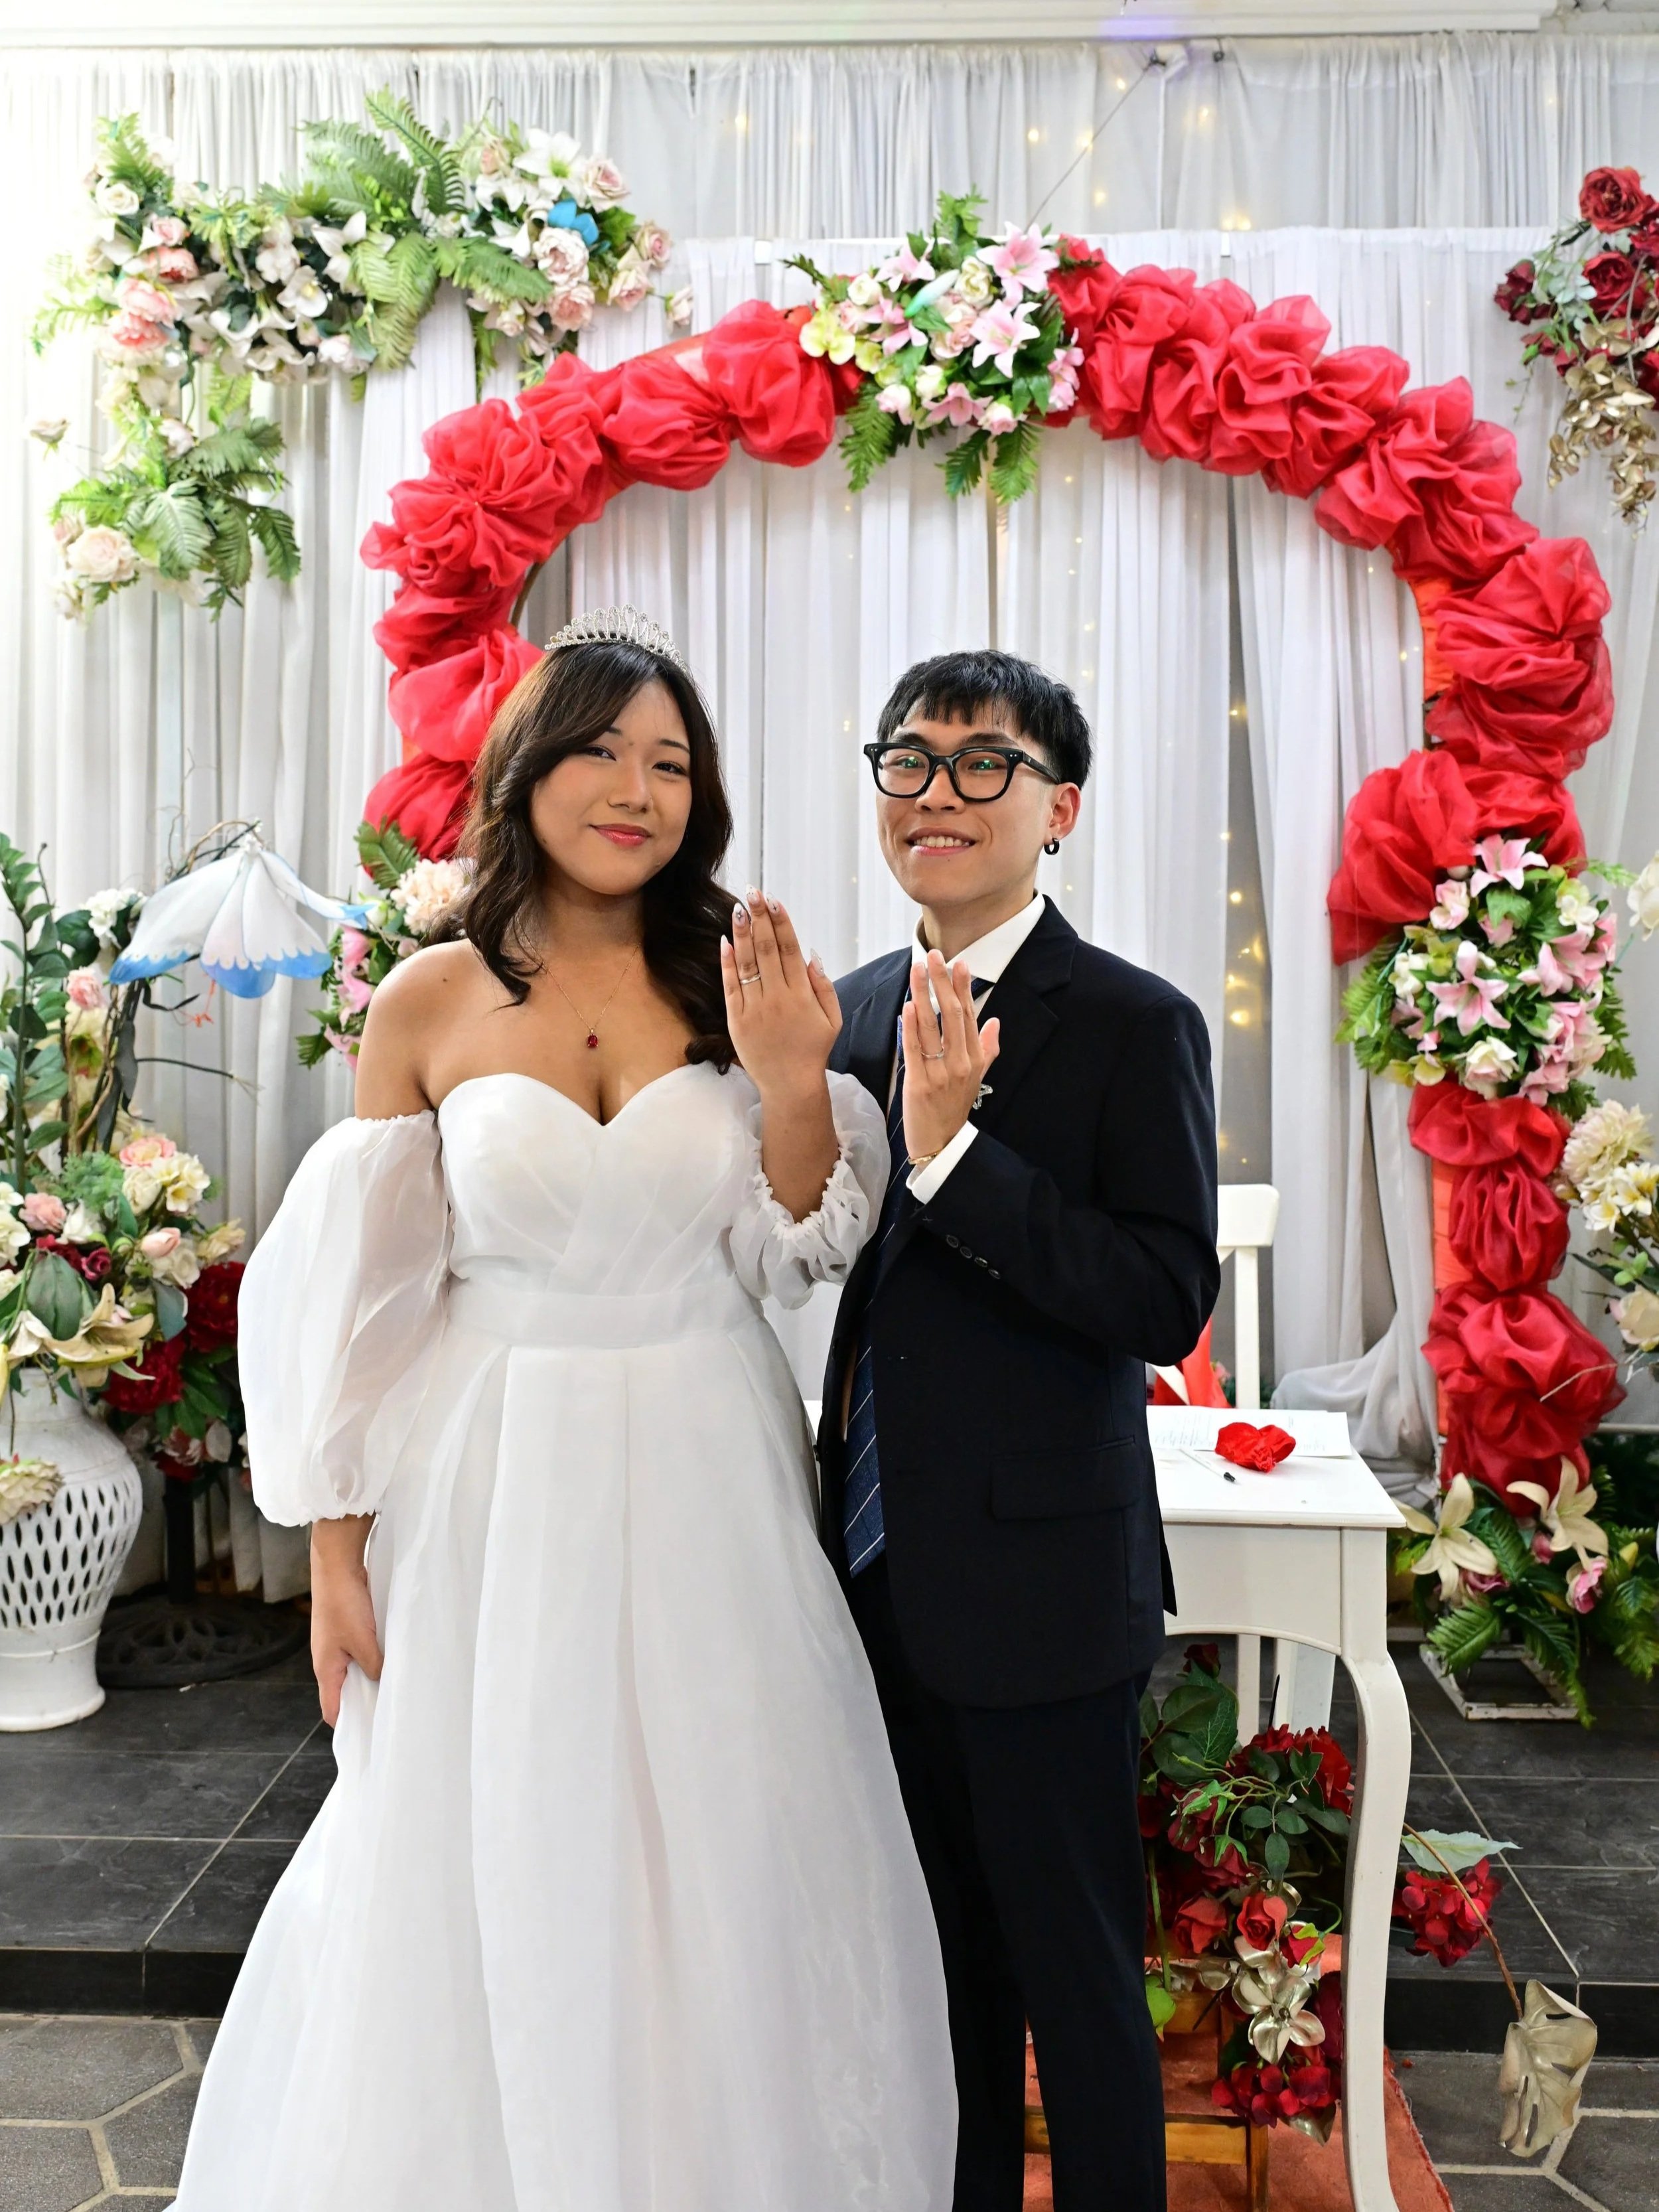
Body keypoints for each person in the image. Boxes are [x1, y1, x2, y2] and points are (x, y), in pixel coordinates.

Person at [173, 609, 956, 2212]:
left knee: (721, 1835)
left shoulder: (737, 972)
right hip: (489, 1470)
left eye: (670, 761)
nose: (635, 787)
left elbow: (790, 1246)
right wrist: (336, 1544)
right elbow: (370, 1300)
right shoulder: (427, 1001)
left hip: (701, 1454)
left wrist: (796, 1077)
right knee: (487, 1828)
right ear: (530, 764)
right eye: (601, 746)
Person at [818, 649, 1220, 2212]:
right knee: (935, 1985)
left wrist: (956, 1156)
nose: (937, 793)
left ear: (1059, 805)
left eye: (982, 763)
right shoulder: (847, 1011)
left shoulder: (1131, 1021)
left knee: (1073, 1980)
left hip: (1048, 1591)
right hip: (867, 1573)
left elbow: (1161, 1294)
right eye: (906, 762)